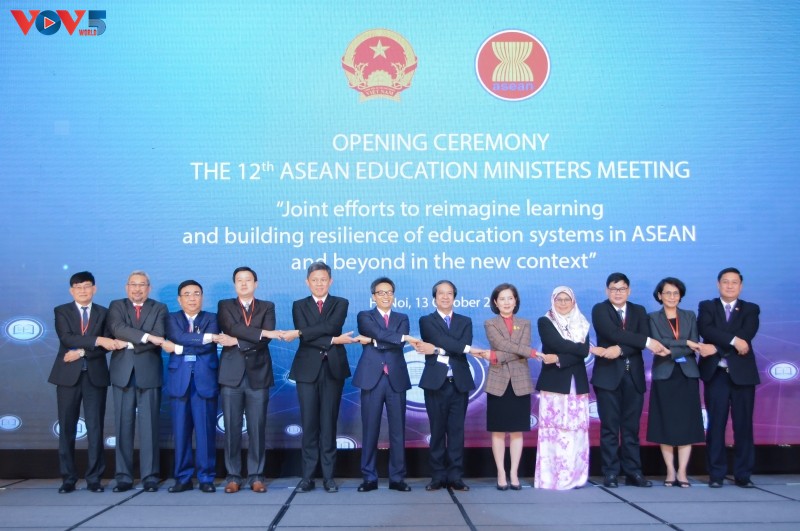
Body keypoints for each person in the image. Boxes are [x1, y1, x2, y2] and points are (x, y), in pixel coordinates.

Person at [283, 261, 360, 493]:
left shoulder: (340, 303)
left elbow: (332, 326)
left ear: (330, 281)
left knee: (328, 423)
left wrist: (301, 332)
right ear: (307, 282)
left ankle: (328, 477)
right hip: (307, 370)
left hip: (332, 369)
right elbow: (311, 337)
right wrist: (332, 340)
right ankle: (307, 477)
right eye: (314, 280)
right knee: (309, 424)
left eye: (323, 280)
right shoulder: (299, 305)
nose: (319, 284)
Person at [591, 272, 669, 488]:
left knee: (631, 429)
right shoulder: (600, 309)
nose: (618, 293)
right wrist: (645, 341)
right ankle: (610, 472)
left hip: (633, 377)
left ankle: (633, 472)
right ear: (607, 291)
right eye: (614, 289)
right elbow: (612, 333)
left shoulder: (639, 311)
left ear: (629, 290)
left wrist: (620, 350)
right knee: (609, 427)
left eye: (622, 288)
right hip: (607, 377)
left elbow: (635, 342)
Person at [49, 271, 124, 493]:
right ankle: (68, 478)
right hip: (67, 377)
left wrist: (82, 351)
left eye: (87, 286)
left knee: (95, 427)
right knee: (67, 428)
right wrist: (97, 339)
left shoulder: (104, 312)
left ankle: (94, 478)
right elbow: (67, 337)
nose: (83, 290)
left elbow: (107, 345)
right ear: (71, 291)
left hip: (95, 376)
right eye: (78, 287)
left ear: (94, 289)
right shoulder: (61, 311)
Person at [415, 280, 482, 492]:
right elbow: (444, 340)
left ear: (454, 297)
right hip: (436, 384)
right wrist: (462, 348)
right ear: (434, 298)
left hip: (458, 383)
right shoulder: (426, 320)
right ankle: (437, 476)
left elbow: (457, 344)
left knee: (456, 432)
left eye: (449, 293)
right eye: (441, 293)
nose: (445, 297)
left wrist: (438, 349)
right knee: (436, 431)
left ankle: (455, 476)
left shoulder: (465, 321)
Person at [216, 266, 279, 494]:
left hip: (258, 374)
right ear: (235, 284)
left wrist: (237, 341)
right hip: (231, 375)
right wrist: (258, 333)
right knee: (231, 428)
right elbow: (230, 327)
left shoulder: (267, 307)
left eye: (248, 280)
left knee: (257, 428)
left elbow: (267, 336)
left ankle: (256, 476)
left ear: (256, 283)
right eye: (239, 280)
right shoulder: (225, 305)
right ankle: (233, 476)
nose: (244, 284)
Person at [353, 277, 418, 492]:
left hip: (395, 378)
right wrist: (397, 338)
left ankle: (397, 478)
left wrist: (374, 341)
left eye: (389, 292)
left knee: (398, 431)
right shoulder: (365, 316)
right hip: (372, 378)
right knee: (370, 429)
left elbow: (395, 343)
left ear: (394, 295)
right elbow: (383, 335)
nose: (385, 296)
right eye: (381, 293)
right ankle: (369, 477)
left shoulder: (402, 318)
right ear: (373, 296)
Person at [698, 267, 760, 488]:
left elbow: (747, 335)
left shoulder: (751, 309)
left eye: (734, 282)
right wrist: (733, 342)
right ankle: (716, 474)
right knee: (716, 425)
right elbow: (706, 329)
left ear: (740, 286)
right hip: (716, 375)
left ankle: (743, 475)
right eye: (726, 281)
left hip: (743, 376)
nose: (730, 285)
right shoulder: (707, 306)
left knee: (743, 426)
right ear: (718, 284)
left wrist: (716, 348)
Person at [108, 270, 169, 492]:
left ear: (149, 288)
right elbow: (117, 328)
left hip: (148, 373)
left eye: (142, 284)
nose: (137, 288)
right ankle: (123, 476)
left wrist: (127, 342)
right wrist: (146, 337)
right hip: (122, 374)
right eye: (133, 284)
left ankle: (150, 476)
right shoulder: (117, 305)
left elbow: (159, 335)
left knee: (149, 427)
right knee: (123, 426)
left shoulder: (159, 308)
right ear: (127, 287)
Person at [164, 280, 227, 493]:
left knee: (205, 432)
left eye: (196, 293)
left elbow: (206, 347)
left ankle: (206, 477)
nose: (192, 298)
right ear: (179, 299)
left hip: (204, 380)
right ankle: (182, 478)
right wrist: (203, 339)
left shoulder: (212, 318)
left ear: (202, 297)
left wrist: (178, 348)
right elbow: (178, 336)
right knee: (180, 432)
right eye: (187, 294)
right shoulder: (171, 318)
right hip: (179, 381)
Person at [646, 277, 710, 487]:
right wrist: (686, 343)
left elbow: (694, 345)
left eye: (676, 293)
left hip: (687, 375)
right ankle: (670, 470)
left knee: (686, 425)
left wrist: (675, 348)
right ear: (659, 295)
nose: (672, 297)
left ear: (680, 296)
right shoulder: (652, 317)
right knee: (665, 424)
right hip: (664, 375)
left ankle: (682, 471)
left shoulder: (689, 315)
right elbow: (658, 342)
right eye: (667, 293)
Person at [535, 286, 591, 490]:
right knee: (554, 431)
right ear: (553, 301)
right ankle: (552, 478)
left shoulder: (582, 322)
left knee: (576, 430)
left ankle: (576, 477)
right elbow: (556, 343)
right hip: (554, 383)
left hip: (577, 384)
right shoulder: (545, 321)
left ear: (573, 301)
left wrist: (559, 358)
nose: (563, 303)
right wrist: (577, 349)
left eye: (567, 299)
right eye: (559, 299)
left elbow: (583, 352)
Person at [480, 283, 535, 491]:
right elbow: (505, 345)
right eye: (502, 299)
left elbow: (519, 349)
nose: (506, 302)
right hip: (498, 382)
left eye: (510, 298)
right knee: (498, 431)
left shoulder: (525, 323)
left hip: (520, 382)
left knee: (517, 431)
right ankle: (501, 473)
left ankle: (514, 473)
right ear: (495, 302)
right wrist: (528, 352)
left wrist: (495, 356)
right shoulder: (490, 323)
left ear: (515, 301)